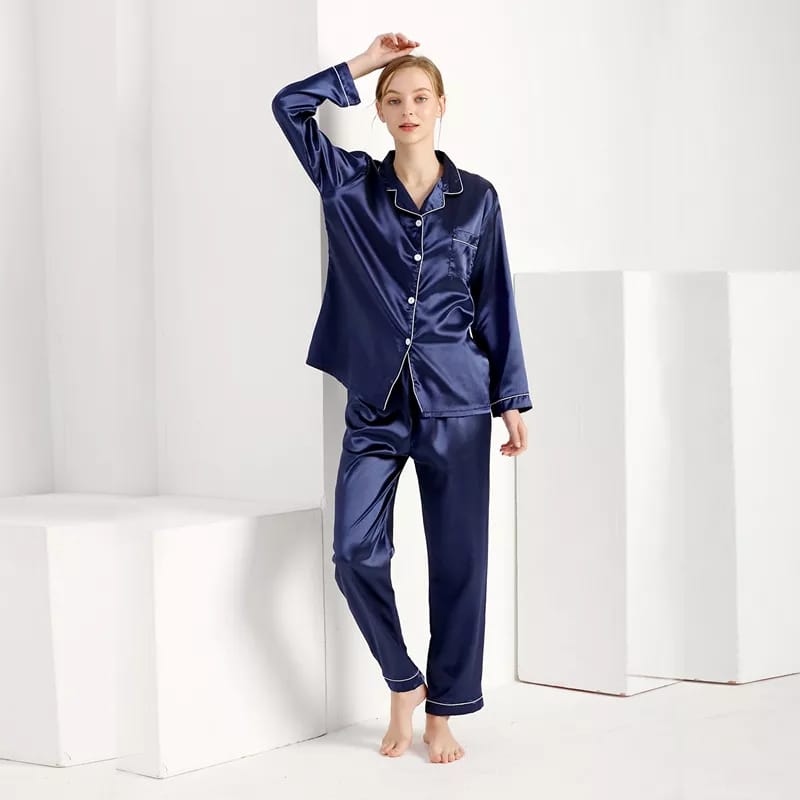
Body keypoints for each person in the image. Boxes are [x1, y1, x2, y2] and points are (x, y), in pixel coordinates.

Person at [272, 32, 532, 764]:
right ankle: (403, 681)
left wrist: (511, 397)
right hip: (376, 405)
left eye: (420, 97)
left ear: (442, 105)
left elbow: (495, 300)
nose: (408, 108)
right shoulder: (348, 185)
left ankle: (445, 711)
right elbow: (289, 107)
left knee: (460, 564)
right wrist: (363, 64)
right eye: (394, 99)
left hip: (458, 401)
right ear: (380, 112)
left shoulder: (478, 199)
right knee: (354, 553)